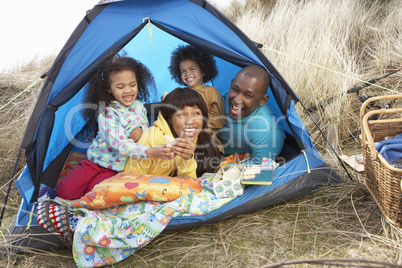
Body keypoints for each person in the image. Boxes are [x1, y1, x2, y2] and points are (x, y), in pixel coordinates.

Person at [55, 55, 173, 200]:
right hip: (95, 161)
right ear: (109, 89)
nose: (128, 90)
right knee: (63, 192)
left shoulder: (139, 106)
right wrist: (150, 152)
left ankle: (88, 190)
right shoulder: (107, 111)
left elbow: (144, 123)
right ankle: (81, 184)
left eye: (132, 84)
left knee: (98, 195)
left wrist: (141, 128)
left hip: (117, 168)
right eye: (120, 87)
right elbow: (120, 144)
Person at [125, 87, 221, 178]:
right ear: (170, 118)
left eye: (196, 113)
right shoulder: (150, 138)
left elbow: (189, 185)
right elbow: (129, 180)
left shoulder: (204, 141)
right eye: (181, 114)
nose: (190, 121)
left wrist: (187, 159)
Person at [217, 65, 285, 163]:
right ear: (231, 84)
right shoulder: (226, 97)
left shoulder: (267, 130)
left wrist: (218, 168)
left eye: (248, 95)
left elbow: (257, 167)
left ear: (262, 100)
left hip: (235, 163)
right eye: (235, 89)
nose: (236, 100)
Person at [168, 45, 225, 153]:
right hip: (184, 140)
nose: (187, 73)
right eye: (183, 71)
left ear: (203, 71)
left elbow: (219, 118)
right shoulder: (180, 93)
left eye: (192, 69)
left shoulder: (211, 91)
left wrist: (199, 132)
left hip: (207, 143)